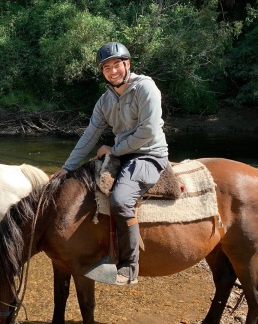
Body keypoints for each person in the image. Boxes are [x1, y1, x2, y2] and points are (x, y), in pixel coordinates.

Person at [51, 42, 169, 285]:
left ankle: (129, 265)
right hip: (122, 155)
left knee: (121, 199)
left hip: (148, 154)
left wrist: (114, 150)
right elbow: (90, 135)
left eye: (117, 64)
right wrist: (68, 167)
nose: (113, 71)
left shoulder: (146, 88)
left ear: (127, 64)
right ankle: (99, 250)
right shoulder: (105, 100)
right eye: (107, 67)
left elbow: (148, 131)